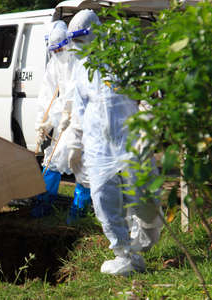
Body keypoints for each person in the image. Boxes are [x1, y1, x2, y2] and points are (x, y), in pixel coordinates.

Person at [66, 9, 163, 275]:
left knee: (144, 200)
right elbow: (81, 109)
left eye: (82, 39)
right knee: (104, 199)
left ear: (95, 34)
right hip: (99, 147)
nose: (78, 46)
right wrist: (76, 144)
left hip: (132, 142)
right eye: (74, 40)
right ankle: (123, 253)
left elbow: (149, 96)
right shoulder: (81, 69)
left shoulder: (122, 58)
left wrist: (147, 129)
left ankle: (140, 248)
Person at [32, 20, 91, 220]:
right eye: (53, 50)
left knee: (81, 163)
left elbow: (76, 92)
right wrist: (43, 122)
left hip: (83, 119)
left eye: (59, 49)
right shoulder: (55, 62)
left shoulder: (78, 58)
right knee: (52, 159)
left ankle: (80, 210)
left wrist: (66, 113)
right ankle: (44, 204)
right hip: (65, 119)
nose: (57, 53)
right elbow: (47, 94)